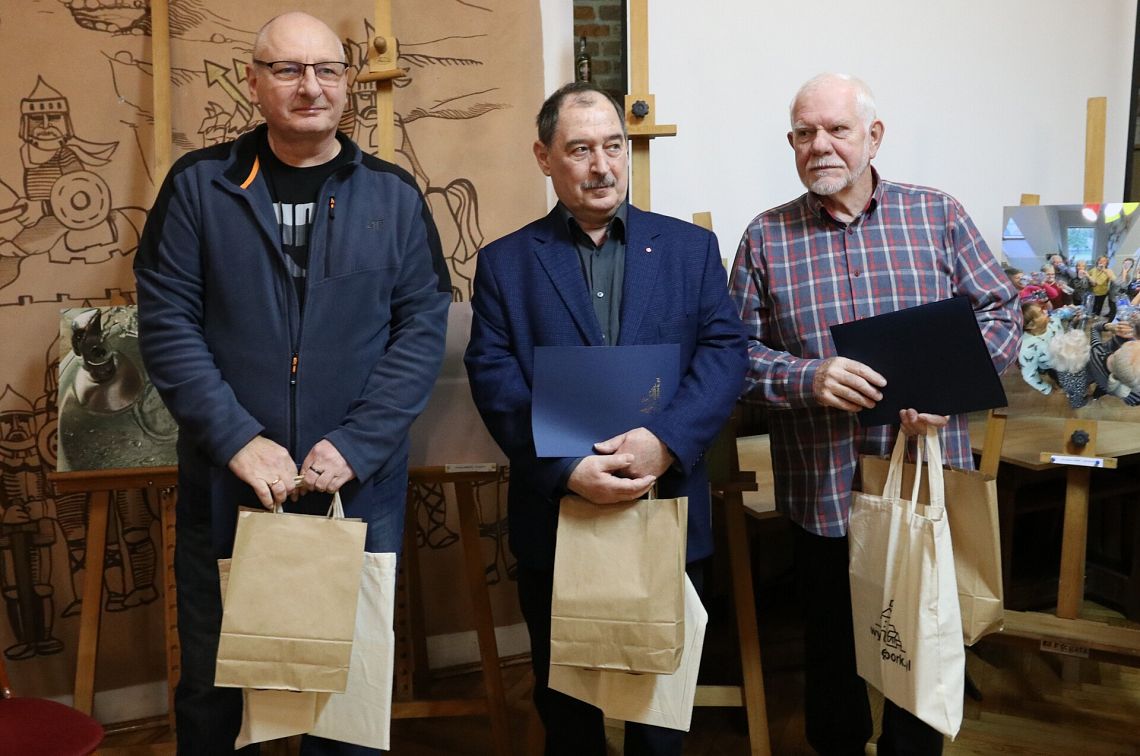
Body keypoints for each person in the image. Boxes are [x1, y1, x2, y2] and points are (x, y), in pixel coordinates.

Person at [134, 11, 451, 754]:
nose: (311, 86)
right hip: (231, 480)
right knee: (216, 687)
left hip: (353, 484)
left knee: (345, 693)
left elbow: (419, 333)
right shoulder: (199, 186)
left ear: (347, 83)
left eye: (327, 70)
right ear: (253, 82)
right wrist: (238, 440)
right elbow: (168, 325)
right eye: (287, 69)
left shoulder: (394, 197)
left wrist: (358, 444)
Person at [729, 73, 1020, 755]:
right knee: (831, 651)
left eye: (837, 130)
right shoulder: (765, 237)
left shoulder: (938, 214)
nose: (820, 146)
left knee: (922, 644)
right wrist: (808, 377)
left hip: (923, 480)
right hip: (823, 488)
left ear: (874, 136)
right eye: (805, 133)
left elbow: (1001, 311)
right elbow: (732, 356)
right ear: (792, 144)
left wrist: (951, 389)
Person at [464, 81, 747, 755]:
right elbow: (495, 379)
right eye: (581, 149)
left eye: (613, 146)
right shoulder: (505, 264)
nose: (602, 166)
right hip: (559, 512)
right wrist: (567, 469)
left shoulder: (689, 249)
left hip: (664, 502)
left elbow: (724, 354)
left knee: (659, 711)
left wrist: (665, 442)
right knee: (568, 709)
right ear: (544, 156)